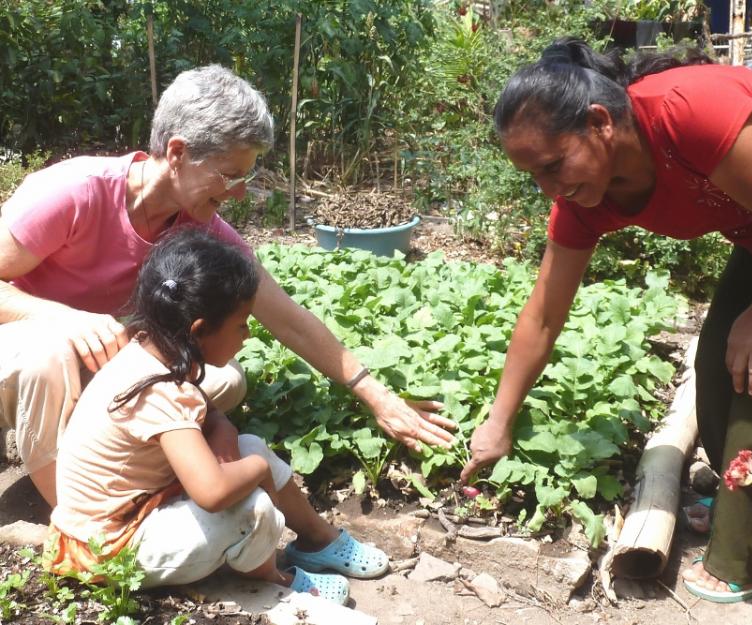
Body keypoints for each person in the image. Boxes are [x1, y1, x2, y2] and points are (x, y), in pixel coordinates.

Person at [459, 37, 752, 603]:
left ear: (599, 122)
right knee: (717, 359)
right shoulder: (586, 199)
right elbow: (542, 313)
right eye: (533, 175)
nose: (549, 187)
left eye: (554, 164)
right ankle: (745, 495)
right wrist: (499, 420)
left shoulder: (685, 110)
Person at [0, 64, 456, 507]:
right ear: (177, 153)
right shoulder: (74, 192)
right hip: (26, 350)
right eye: (229, 173)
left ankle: (97, 449)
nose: (239, 192)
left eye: (247, 176)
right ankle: (74, 520)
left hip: (98, 357)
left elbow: (287, 318)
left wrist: (378, 396)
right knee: (50, 356)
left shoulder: (201, 228)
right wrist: (62, 320)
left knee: (225, 379)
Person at [47, 229, 387, 603]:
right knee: (250, 507)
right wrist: (255, 470)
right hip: (106, 549)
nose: (247, 333)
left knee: (249, 446)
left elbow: (210, 417)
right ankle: (277, 580)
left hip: (138, 509)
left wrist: (229, 445)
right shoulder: (159, 392)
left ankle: (317, 539)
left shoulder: (154, 348)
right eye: (241, 324)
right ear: (200, 330)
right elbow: (211, 493)